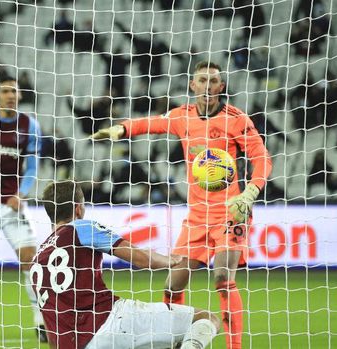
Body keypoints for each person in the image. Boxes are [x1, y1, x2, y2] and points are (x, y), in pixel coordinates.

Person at [92, 61, 273, 349]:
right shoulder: (182, 116)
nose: (207, 86)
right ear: (192, 85)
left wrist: (250, 193)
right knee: (172, 285)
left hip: (231, 211)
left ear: (221, 87)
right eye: (202, 80)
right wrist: (119, 130)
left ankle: (234, 347)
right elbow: (150, 123)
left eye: (213, 81)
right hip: (197, 217)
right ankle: (173, 340)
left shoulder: (237, 119)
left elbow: (262, 157)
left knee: (224, 277)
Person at [32, 180, 221, 348]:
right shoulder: (81, 227)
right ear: (78, 208)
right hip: (112, 321)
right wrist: (172, 260)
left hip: (75, 344)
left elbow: (51, 328)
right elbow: (143, 259)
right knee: (206, 319)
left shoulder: (37, 260)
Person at [0, 73, 45, 340]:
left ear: (20, 96)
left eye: (14, 91)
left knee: (31, 261)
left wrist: (22, 193)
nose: (10, 95)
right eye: (5, 91)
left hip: (12, 204)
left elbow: (32, 166)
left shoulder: (29, 125)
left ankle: (40, 320)